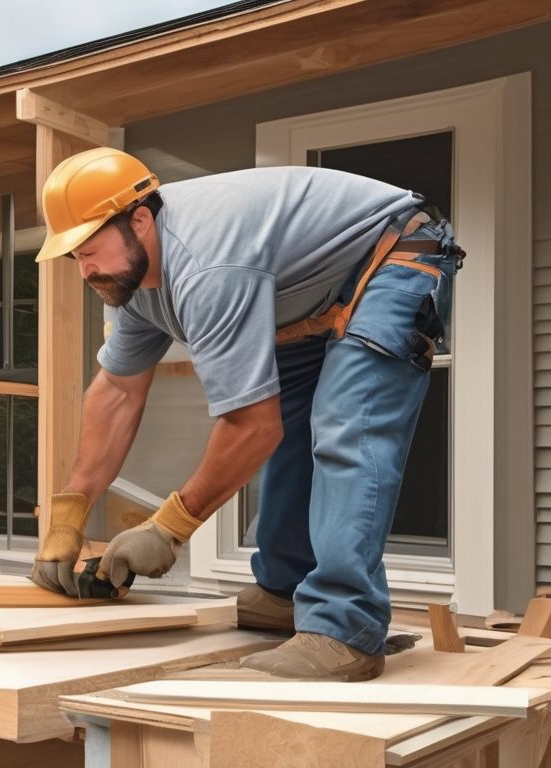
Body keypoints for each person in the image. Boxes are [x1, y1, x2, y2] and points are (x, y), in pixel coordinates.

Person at [29, 148, 463, 682]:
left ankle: (344, 630)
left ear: (139, 219)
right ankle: (285, 590)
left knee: (347, 427)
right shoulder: (133, 285)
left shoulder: (208, 265)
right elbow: (117, 390)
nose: (85, 269)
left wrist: (168, 528)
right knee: (294, 436)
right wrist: (71, 512)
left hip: (394, 257)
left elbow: (252, 427)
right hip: (305, 296)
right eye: (73, 256)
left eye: (90, 249)